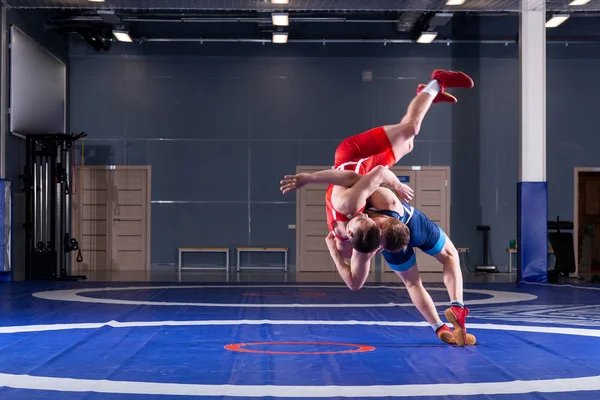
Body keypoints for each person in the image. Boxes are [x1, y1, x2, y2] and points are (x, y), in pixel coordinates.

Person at [281, 69, 474, 290]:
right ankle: (426, 96)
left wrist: (309, 178)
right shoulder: (356, 238)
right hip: (366, 170)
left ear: (350, 235)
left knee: (410, 129)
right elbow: (355, 282)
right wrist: (335, 252)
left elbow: (351, 176)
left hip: (353, 154)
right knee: (408, 142)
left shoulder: (348, 207)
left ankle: (437, 82)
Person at [285, 169, 474, 346]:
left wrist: (334, 252)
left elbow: (354, 283)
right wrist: (397, 185)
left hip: (394, 229)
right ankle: (457, 305)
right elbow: (376, 172)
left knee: (412, 283)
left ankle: (438, 326)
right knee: (450, 255)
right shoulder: (379, 208)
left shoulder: (363, 239)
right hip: (413, 224)